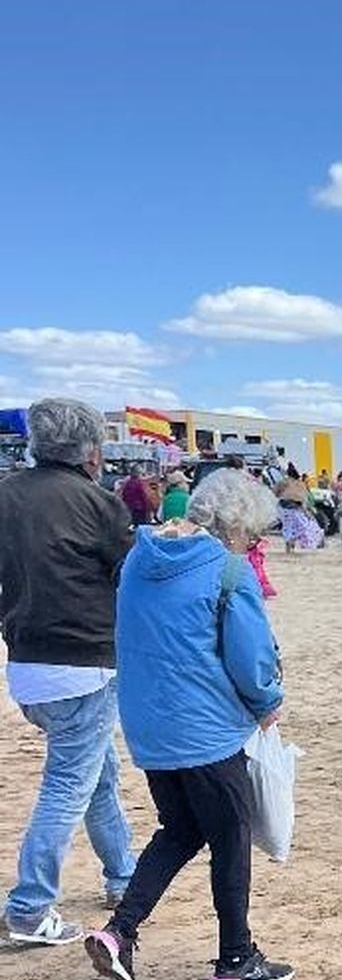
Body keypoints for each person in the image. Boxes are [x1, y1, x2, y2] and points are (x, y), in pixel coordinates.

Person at [83, 468, 293, 980]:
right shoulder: (228, 570)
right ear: (237, 525)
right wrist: (268, 702)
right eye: (254, 532)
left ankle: (118, 932)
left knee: (179, 830)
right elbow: (250, 659)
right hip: (206, 730)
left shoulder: (140, 556)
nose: (255, 542)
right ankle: (236, 958)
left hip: (150, 727)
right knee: (230, 837)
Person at [0, 397, 139, 946]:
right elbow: (130, 578)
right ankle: (30, 910)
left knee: (94, 772)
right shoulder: (98, 504)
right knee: (68, 784)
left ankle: (122, 874)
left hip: (27, 664)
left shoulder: (6, 494)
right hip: (86, 662)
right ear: (91, 451)